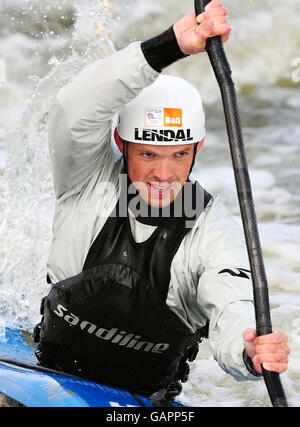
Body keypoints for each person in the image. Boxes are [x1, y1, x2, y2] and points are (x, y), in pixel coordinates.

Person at [34, 0, 289, 401]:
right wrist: (170, 46)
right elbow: (74, 108)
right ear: (121, 143)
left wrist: (248, 350)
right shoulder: (84, 179)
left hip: (147, 401)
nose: (164, 175)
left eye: (180, 154)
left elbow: (232, 302)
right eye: (148, 154)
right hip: (45, 370)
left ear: (199, 147)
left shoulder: (212, 231)